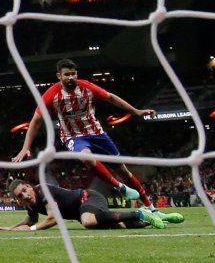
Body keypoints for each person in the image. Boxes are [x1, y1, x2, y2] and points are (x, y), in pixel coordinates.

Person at [11, 58, 182, 224]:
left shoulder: (86, 87)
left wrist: (136, 111)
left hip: (97, 134)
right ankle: (119, 187)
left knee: (124, 172)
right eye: (66, 75)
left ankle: (153, 209)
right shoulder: (52, 95)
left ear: (76, 74)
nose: (70, 77)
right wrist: (25, 147)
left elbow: (111, 97)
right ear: (59, 76)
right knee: (86, 158)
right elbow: (35, 121)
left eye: (73, 74)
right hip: (73, 136)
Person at [0, 179, 167, 231]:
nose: (26, 195)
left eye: (25, 190)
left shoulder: (43, 190)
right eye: (21, 196)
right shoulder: (30, 205)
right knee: (115, 225)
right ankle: (147, 221)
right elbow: (30, 220)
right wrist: (11, 228)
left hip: (88, 198)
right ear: (19, 200)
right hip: (83, 210)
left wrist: (31, 231)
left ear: (30, 186)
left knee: (88, 221)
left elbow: (54, 219)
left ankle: (140, 213)